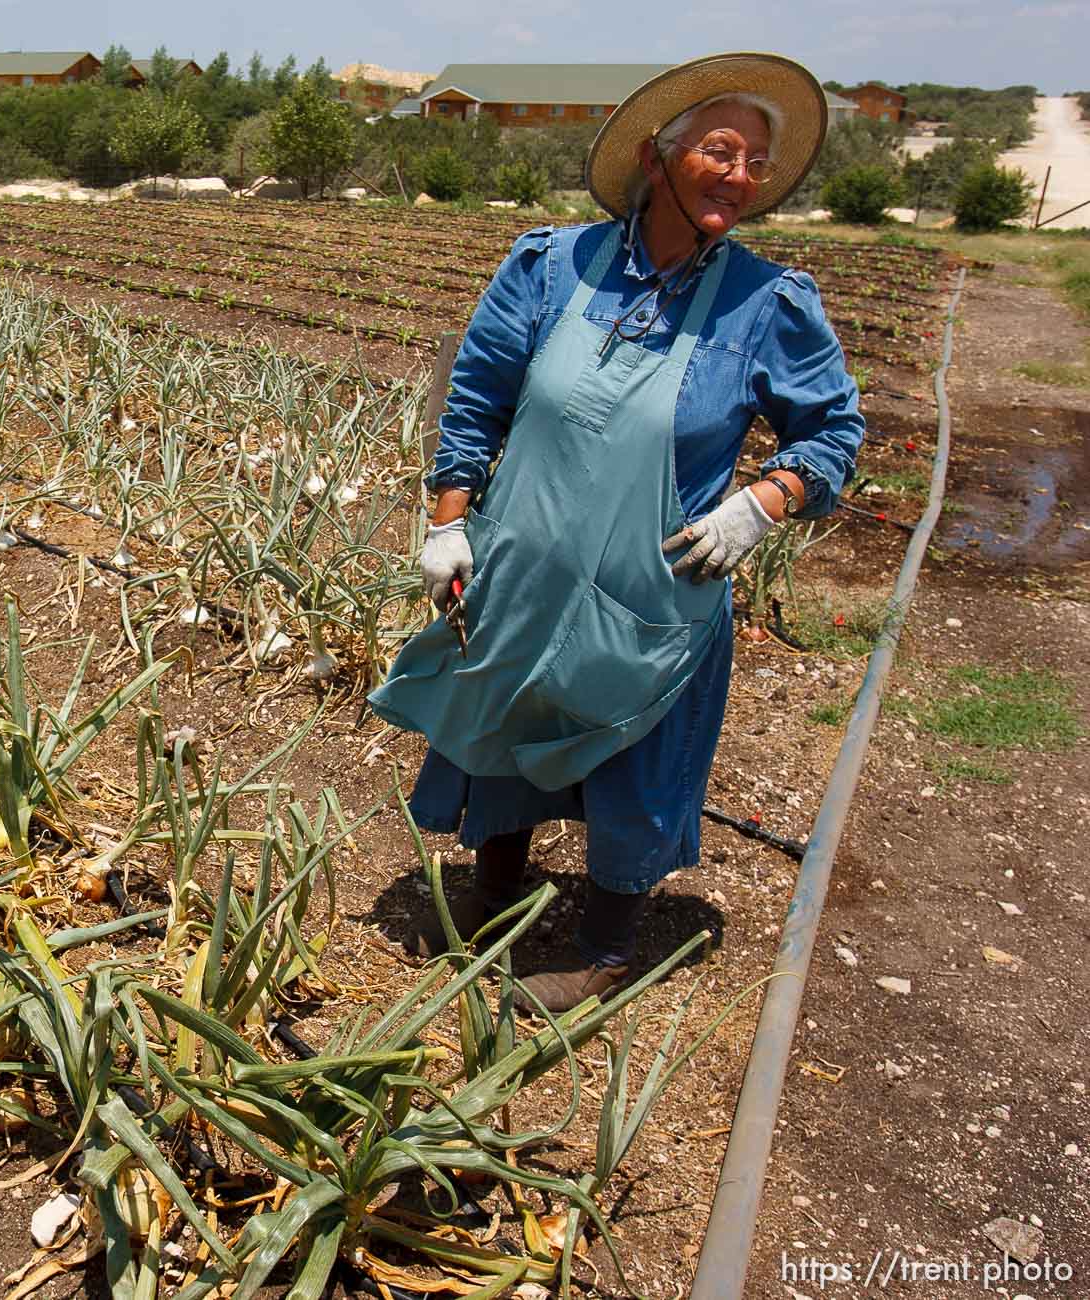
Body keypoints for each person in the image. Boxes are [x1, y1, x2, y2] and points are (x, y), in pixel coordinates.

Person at [368, 53, 864, 1012]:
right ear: (657, 156)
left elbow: (834, 428)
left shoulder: (768, 303)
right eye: (720, 150)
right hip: (525, 555)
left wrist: (763, 503)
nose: (739, 174)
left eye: (755, 161)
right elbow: (477, 399)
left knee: (639, 757)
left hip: (656, 586)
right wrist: (447, 522)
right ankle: (493, 897)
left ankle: (603, 946)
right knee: (505, 721)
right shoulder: (553, 265)